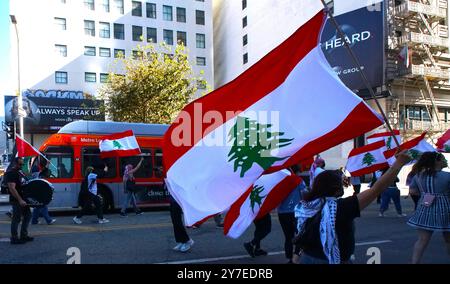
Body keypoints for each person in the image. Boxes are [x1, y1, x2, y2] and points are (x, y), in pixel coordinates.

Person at [293, 150, 411, 264]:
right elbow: (376, 189)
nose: (343, 186)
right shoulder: (341, 208)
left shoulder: (306, 207)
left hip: (307, 258)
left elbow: (301, 231)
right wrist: (398, 164)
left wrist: (296, 253)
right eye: (340, 184)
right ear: (335, 189)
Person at [407, 152, 450, 264]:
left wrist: (426, 193)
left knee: (422, 240)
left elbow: (413, 191)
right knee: (448, 240)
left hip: (424, 207)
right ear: (437, 161)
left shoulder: (418, 176)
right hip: (445, 208)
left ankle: (415, 262)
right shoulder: (447, 176)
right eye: (443, 158)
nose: (445, 160)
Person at [4, 157, 33, 244]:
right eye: (20, 164)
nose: (21, 166)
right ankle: (14, 238)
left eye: (22, 164)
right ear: (14, 163)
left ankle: (24, 235)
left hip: (24, 199)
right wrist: (20, 200)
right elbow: (12, 188)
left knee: (28, 216)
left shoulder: (20, 173)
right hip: (17, 200)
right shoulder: (11, 173)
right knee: (16, 218)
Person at [278, 178, 306, 263]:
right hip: (296, 212)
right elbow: (304, 195)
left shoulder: (280, 181)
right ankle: (295, 257)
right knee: (300, 236)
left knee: (288, 237)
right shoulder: (299, 180)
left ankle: (289, 258)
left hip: (282, 212)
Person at [31, 160, 56, 225]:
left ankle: (34, 221)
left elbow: (44, 170)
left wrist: (47, 164)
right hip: (39, 194)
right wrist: (47, 164)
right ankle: (49, 220)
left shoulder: (33, 177)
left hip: (35, 194)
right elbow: (45, 170)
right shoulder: (38, 176)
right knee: (43, 206)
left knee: (37, 207)